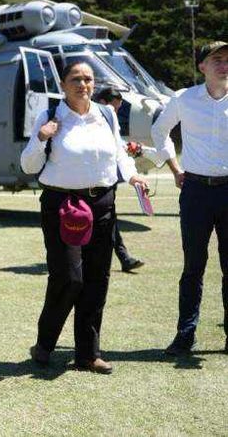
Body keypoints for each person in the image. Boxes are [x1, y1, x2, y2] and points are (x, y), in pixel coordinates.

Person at [21, 61, 150, 374]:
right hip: (63, 204)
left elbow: (119, 152)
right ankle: (45, 344)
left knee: (96, 279)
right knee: (68, 277)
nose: (83, 84)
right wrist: (40, 137)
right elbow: (27, 165)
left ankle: (87, 354)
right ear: (63, 84)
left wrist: (132, 176)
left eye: (88, 79)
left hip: (103, 203)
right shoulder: (50, 115)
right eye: (75, 79)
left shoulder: (105, 114)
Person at [151, 40, 228, 356]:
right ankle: (185, 335)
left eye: (227, 60)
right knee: (193, 266)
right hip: (195, 191)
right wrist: (174, 168)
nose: (224, 65)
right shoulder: (184, 99)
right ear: (202, 67)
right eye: (217, 60)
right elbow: (159, 130)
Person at [92, 87, 145, 273]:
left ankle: (123, 258)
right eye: (115, 108)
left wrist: (129, 148)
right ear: (104, 103)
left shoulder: (109, 118)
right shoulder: (87, 117)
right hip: (87, 182)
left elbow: (116, 143)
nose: (116, 113)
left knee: (109, 220)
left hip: (106, 181)